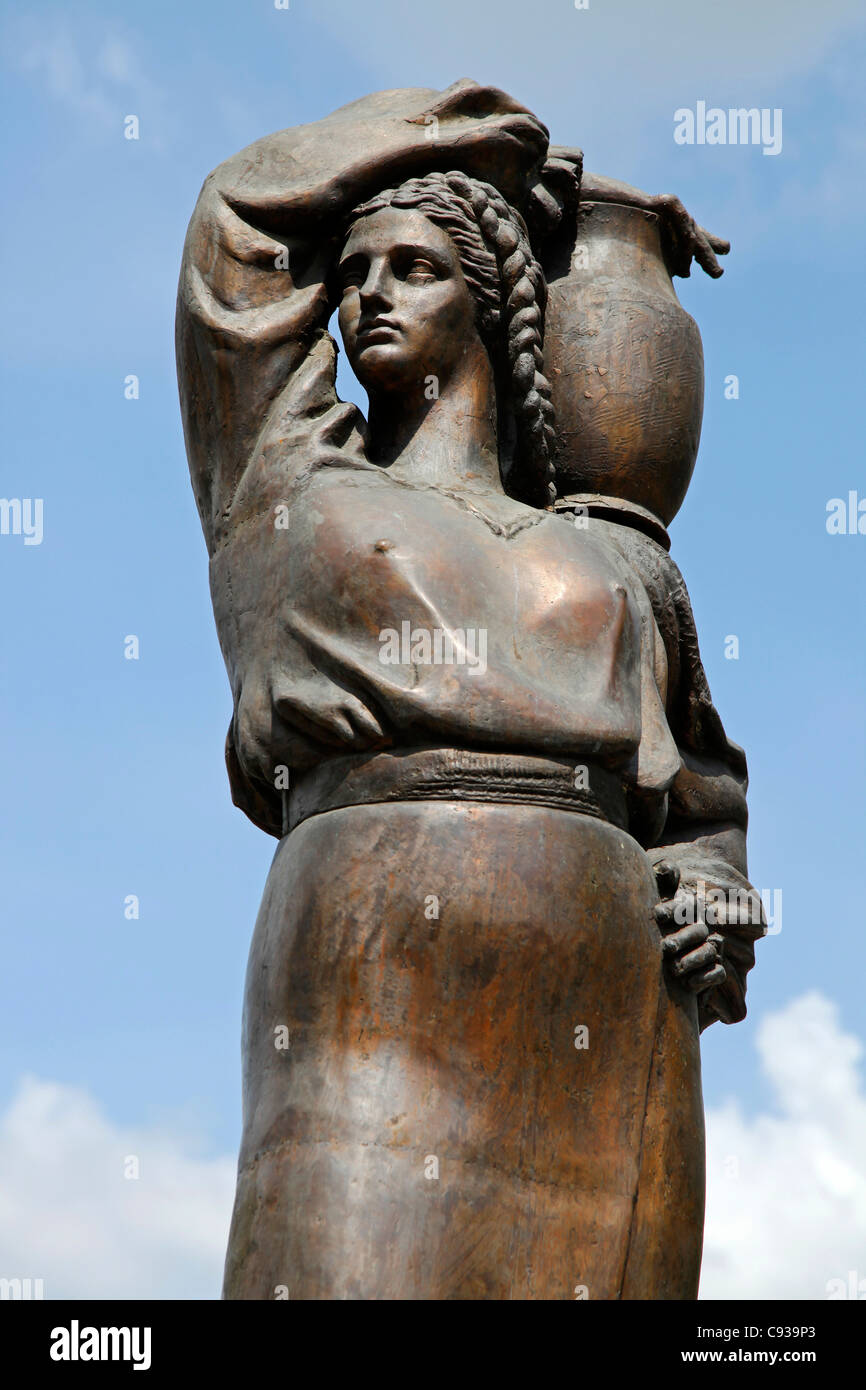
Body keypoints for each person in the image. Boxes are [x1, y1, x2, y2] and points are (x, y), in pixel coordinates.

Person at [177, 85, 763, 1300]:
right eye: (352, 273)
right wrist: (452, 135)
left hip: (608, 1000)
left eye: (413, 268)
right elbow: (234, 222)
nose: (367, 295)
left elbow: (698, 797)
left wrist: (712, 888)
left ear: (490, 305)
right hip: (372, 960)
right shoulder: (290, 484)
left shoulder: (613, 555)